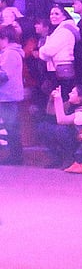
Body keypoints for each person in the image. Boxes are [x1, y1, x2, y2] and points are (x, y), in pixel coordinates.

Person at [0, 24, 25, 164]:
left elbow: (3, 75)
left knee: (11, 127)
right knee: (10, 126)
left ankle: (16, 157)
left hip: (7, 96)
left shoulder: (10, 53)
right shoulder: (11, 53)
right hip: (8, 95)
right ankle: (15, 156)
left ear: (5, 38)